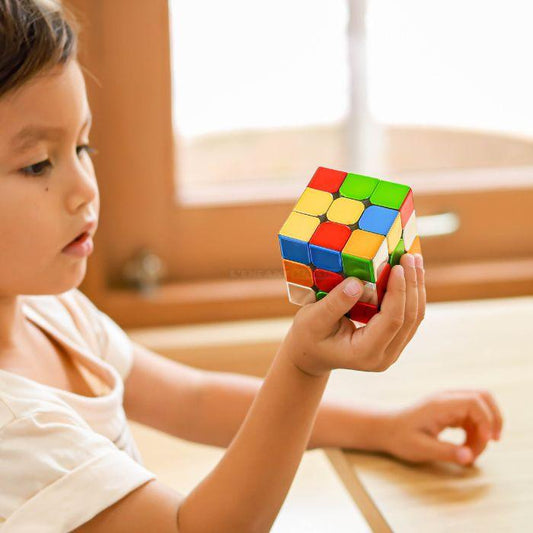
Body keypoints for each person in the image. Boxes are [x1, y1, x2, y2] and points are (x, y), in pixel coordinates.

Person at [0, 1, 503, 531]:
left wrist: (385, 427)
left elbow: (193, 400)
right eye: (37, 164)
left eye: (84, 145)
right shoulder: (13, 428)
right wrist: (304, 366)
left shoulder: (50, 310)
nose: (85, 189)